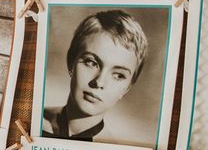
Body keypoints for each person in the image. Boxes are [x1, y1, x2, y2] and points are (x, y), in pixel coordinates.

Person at [42, 9, 148, 142]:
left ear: (127, 88)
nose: (99, 82)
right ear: (71, 61)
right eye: (92, 63)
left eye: (119, 75)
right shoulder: (32, 120)